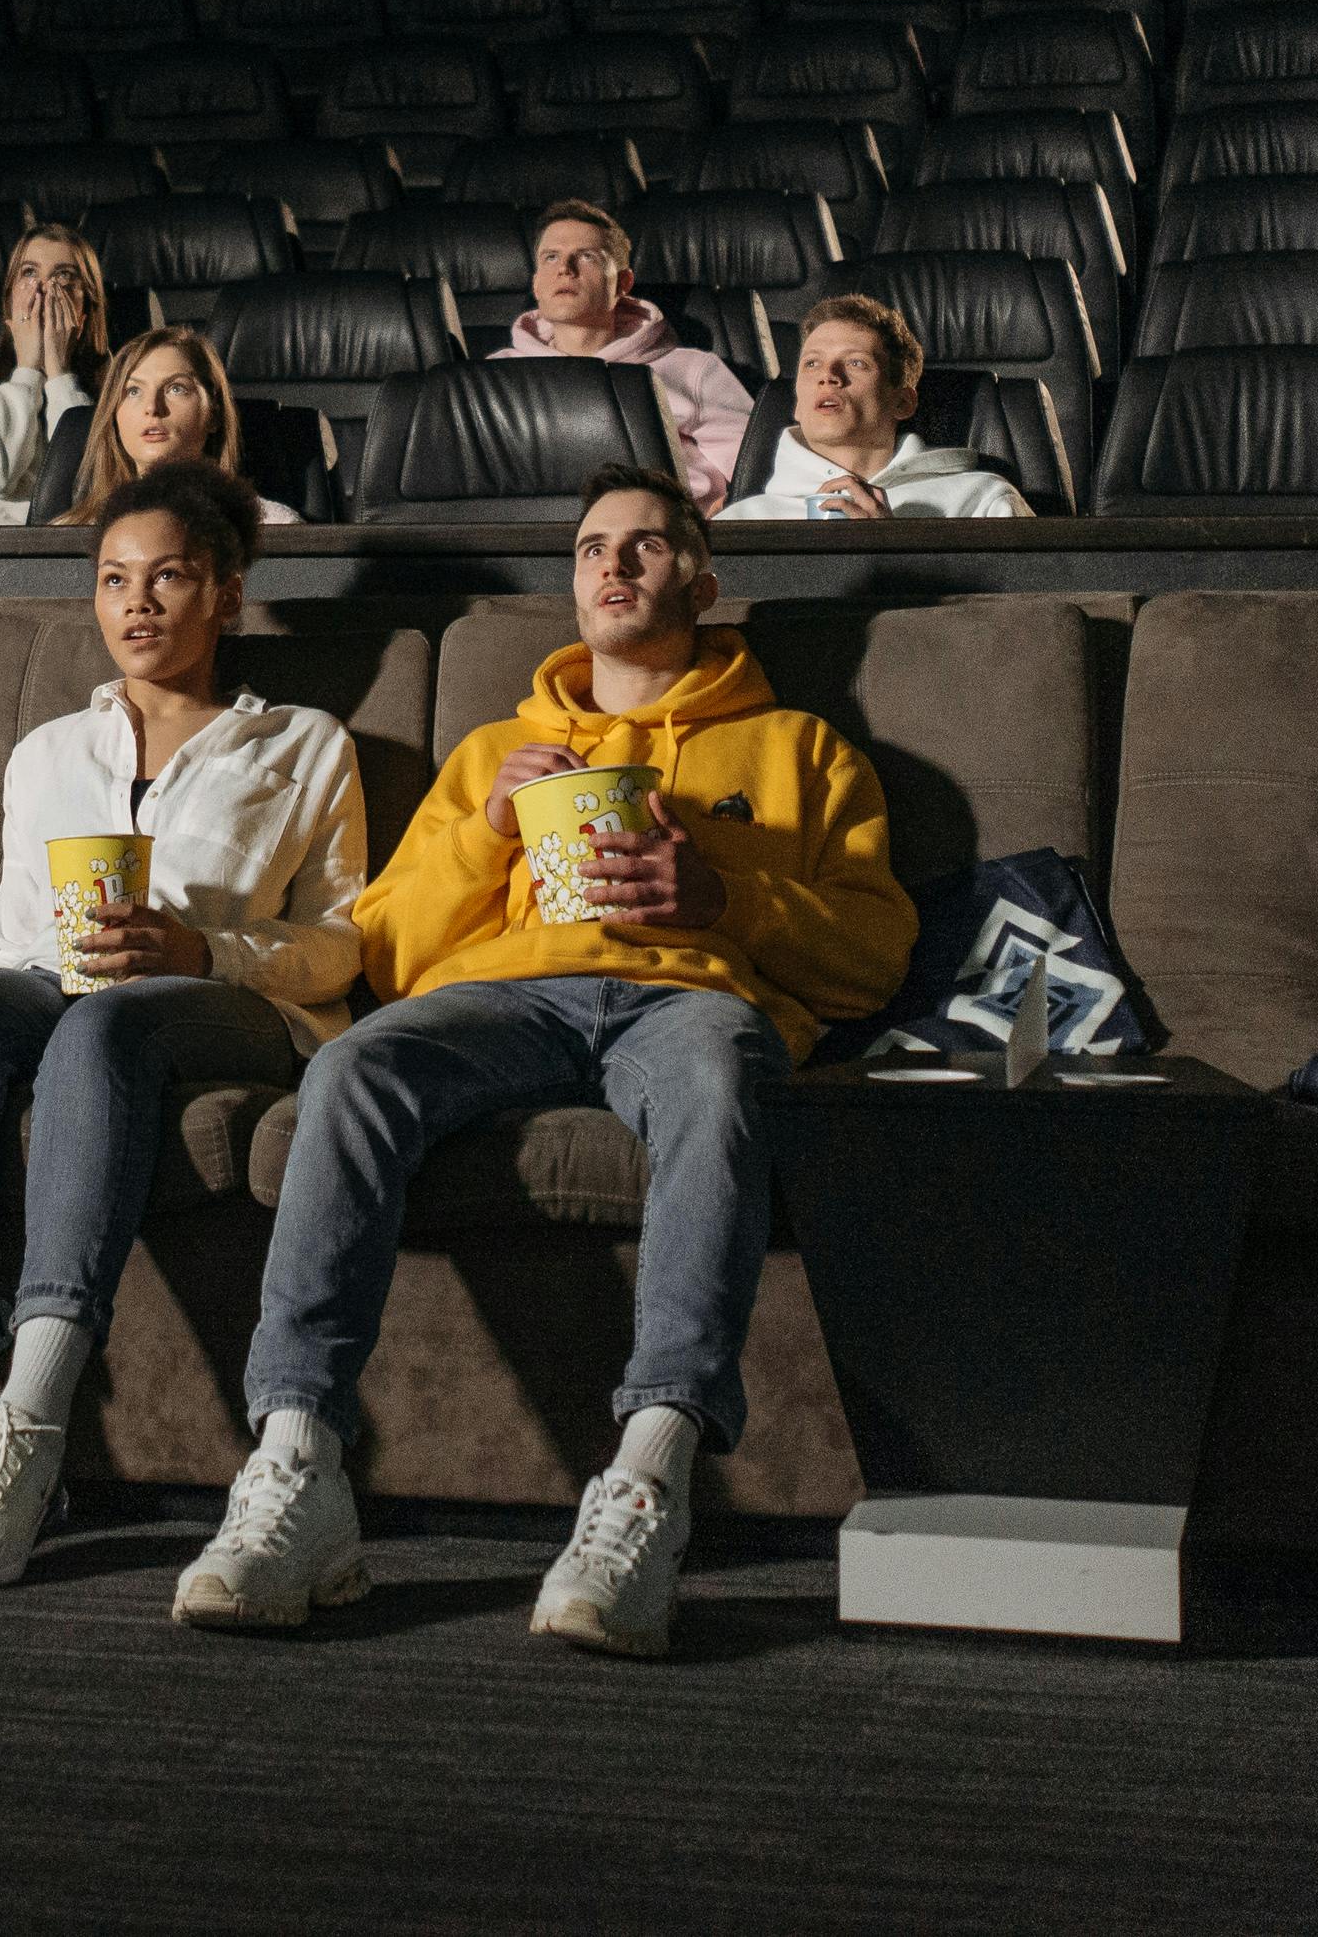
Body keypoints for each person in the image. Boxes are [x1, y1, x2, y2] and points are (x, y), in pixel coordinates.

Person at [173, 466, 909, 1658]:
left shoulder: (800, 747)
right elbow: (391, 950)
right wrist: (489, 831)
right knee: (354, 1067)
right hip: (506, 995)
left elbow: (874, 955)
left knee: (725, 1080)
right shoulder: (496, 750)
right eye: (591, 548)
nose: (613, 565)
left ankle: (650, 1473)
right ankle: (299, 1458)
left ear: (704, 580)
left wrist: (722, 895)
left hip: (691, 997)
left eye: (646, 546)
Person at [0, 465, 362, 1584]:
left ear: (227, 589)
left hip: (233, 1004)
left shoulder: (305, 744)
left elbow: (344, 941)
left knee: (105, 1030)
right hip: (60, 985)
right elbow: (20, 937)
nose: (138, 603)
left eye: (169, 576)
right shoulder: (47, 751)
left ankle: (29, 1422)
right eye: (115, 578)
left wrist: (201, 948)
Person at [494, 201, 753, 512]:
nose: (564, 268)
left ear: (623, 283)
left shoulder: (692, 371)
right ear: (536, 283)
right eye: (551, 257)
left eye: (587, 257)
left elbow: (757, 475)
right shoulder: (495, 375)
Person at [713, 295, 1033, 523]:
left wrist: (890, 549)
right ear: (796, 404)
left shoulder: (982, 501)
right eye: (812, 363)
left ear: (902, 402)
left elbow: (1029, 615)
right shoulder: (738, 523)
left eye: (856, 362)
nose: (828, 376)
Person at [41, 324, 302, 526]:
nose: (152, 408)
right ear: (114, 416)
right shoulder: (68, 535)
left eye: (176, 389)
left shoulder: (273, 526)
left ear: (213, 413)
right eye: (133, 391)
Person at [0, 227, 110, 524]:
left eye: (64, 276)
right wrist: (27, 370)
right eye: (30, 273)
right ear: (9, 301)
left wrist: (60, 374)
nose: (44, 289)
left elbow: (86, 488)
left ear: (85, 311)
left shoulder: (119, 392)